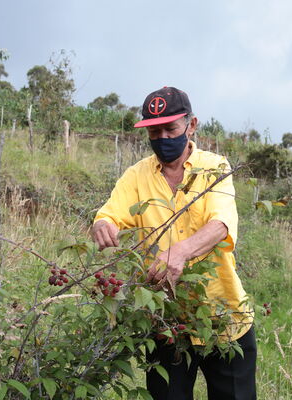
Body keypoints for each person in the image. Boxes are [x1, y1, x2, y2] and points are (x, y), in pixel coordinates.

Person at [91, 87, 256, 400]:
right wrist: (103, 225)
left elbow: (220, 224)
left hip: (222, 317)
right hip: (165, 322)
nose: (163, 138)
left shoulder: (215, 167)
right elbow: (109, 214)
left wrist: (180, 251)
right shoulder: (135, 176)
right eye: (155, 131)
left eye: (171, 129)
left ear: (191, 125)